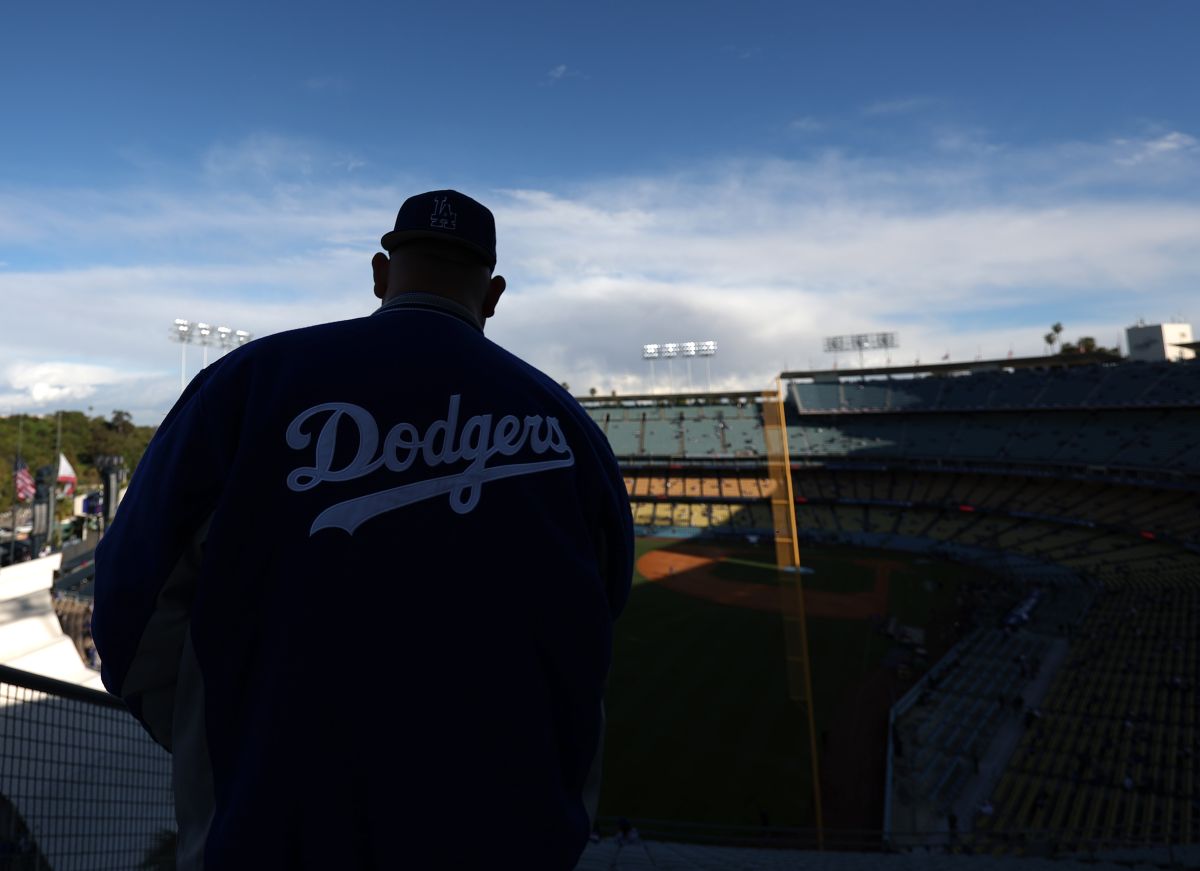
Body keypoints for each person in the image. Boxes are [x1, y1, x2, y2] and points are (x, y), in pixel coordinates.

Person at [91, 190, 634, 871]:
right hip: (502, 835)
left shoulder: (246, 383)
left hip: (270, 831)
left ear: (380, 273)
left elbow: (130, 615)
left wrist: (233, 731)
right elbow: (596, 626)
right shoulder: (568, 426)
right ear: (493, 294)